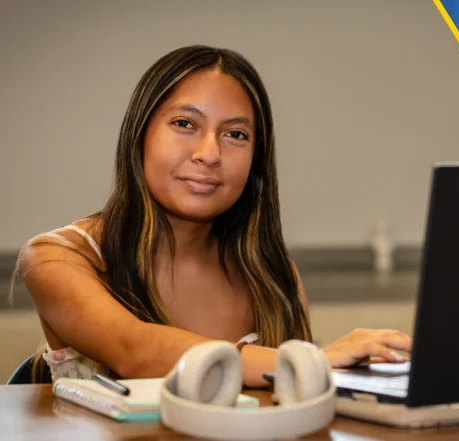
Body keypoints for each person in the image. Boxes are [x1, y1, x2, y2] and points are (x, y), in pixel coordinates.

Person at [10, 45, 412, 388]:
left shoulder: (272, 274)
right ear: (140, 135)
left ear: (256, 160)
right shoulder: (57, 257)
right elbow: (136, 351)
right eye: (185, 124)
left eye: (236, 134)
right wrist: (313, 363)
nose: (209, 153)